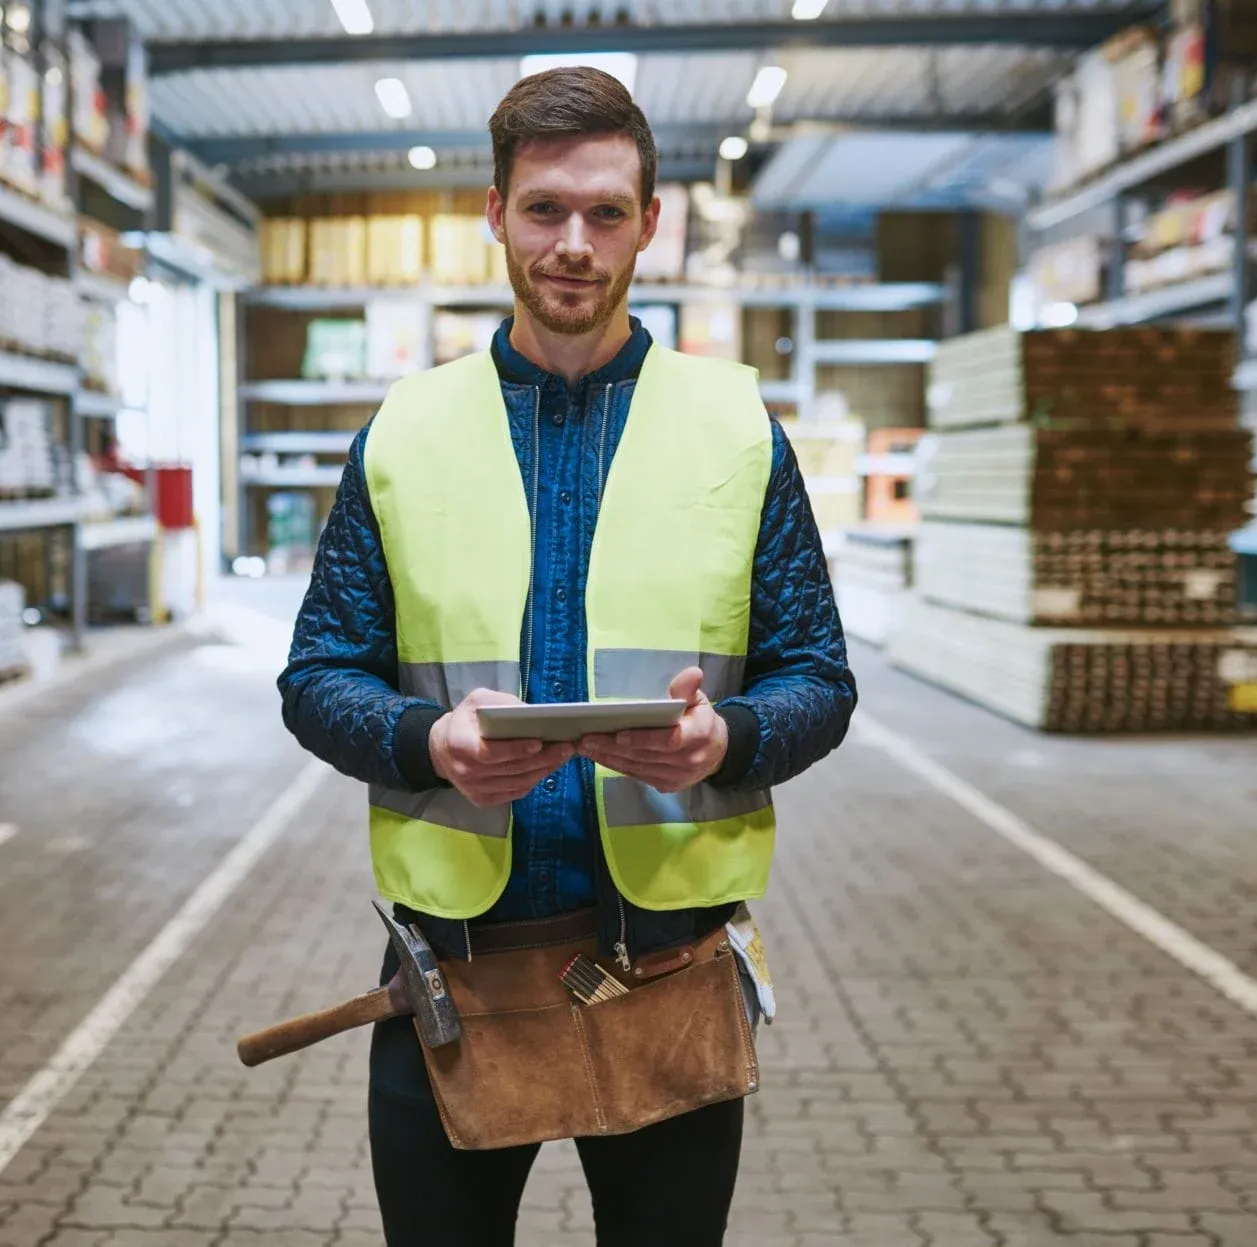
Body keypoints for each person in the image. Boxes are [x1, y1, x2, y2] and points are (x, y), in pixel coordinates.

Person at [278, 65, 856, 1247]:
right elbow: (317, 673)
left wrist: (724, 737)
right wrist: (420, 739)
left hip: (665, 968)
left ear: (651, 222)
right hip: (456, 970)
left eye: (605, 213)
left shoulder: (736, 427)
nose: (574, 245)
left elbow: (818, 675)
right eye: (544, 209)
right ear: (494, 214)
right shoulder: (405, 430)